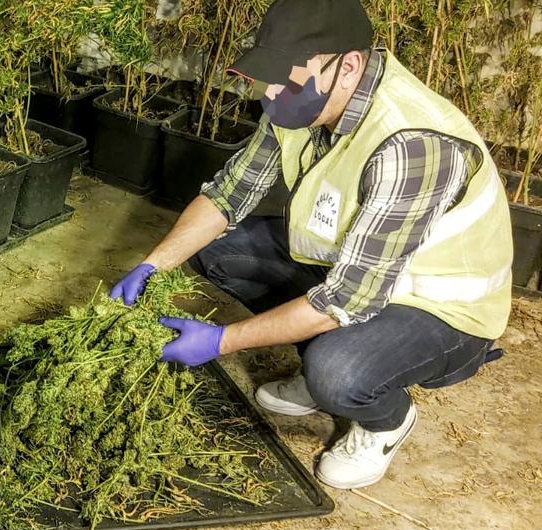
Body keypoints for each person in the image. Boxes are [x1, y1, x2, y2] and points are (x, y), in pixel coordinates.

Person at [111, 0, 511, 490]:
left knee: (339, 373)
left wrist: (221, 340)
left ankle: (385, 418)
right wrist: (151, 265)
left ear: (348, 67)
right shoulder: (299, 102)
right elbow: (228, 196)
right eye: (270, 78)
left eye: (288, 79)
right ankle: (324, 359)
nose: (274, 93)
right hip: (359, 273)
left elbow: (345, 300)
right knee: (222, 251)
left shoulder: (411, 144)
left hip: (443, 309)